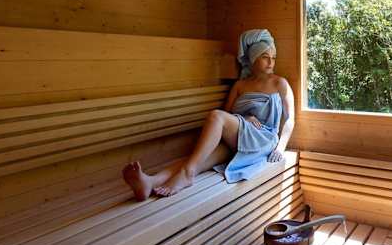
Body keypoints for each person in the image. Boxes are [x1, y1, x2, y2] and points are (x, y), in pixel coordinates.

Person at [122, 29, 295, 200]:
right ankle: (150, 182)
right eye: (265, 57)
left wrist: (280, 147)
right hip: (238, 138)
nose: (270, 62)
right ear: (253, 58)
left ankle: (187, 174)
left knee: (215, 116)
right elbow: (229, 114)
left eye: (273, 58)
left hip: (263, 138)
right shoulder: (240, 85)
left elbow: (289, 118)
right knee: (197, 159)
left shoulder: (280, 83)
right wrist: (245, 118)